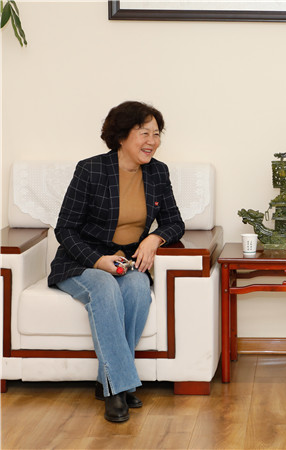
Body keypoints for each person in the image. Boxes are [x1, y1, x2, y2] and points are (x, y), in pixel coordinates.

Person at [48, 101, 185, 423]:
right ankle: (118, 389)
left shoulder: (158, 172)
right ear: (122, 136)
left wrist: (154, 238)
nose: (152, 141)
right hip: (81, 262)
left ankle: (107, 380)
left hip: (127, 262)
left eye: (156, 134)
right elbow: (65, 229)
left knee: (137, 287)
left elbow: (175, 222)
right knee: (105, 286)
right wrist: (97, 260)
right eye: (144, 133)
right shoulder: (91, 169)